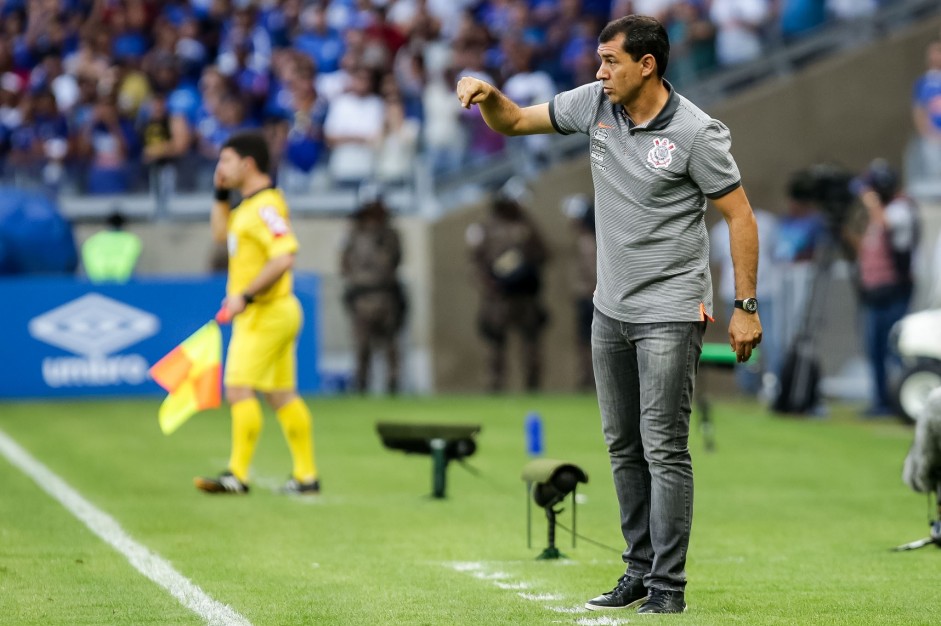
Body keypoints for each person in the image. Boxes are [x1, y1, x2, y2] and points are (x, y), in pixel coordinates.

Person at [456, 15, 762, 614]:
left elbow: (741, 216)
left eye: (610, 62)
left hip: (671, 309)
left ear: (646, 65)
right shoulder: (595, 103)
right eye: (599, 61)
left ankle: (668, 588)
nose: (599, 72)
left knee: (664, 446)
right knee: (623, 446)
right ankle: (638, 570)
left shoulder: (698, 133)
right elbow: (516, 121)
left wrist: (745, 306)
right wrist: (490, 95)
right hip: (610, 308)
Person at [195, 130, 320, 496]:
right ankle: (306, 477)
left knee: (237, 388)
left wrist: (244, 297)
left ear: (248, 164)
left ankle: (237, 474)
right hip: (273, 312)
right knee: (281, 395)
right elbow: (221, 234)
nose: (220, 167)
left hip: (266, 312)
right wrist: (219, 193)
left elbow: (285, 256)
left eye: (226, 161)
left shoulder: (266, 207)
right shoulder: (247, 208)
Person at [845, 159, 920, 417]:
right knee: (874, 350)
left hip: (894, 292)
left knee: (894, 349)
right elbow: (866, 249)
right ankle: (881, 402)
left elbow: (889, 224)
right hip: (874, 293)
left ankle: (901, 402)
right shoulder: (879, 214)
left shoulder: (901, 209)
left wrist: (869, 199)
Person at [466, 180, 549, 393]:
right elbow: (475, 263)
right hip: (498, 297)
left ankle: (533, 387)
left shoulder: (527, 225)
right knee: (495, 346)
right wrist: (488, 285)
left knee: (530, 345)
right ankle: (495, 386)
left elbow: (544, 254)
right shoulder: (485, 227)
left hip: (524, 296)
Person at [340, 186, 406, 394]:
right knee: (362, 346)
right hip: (361, 297)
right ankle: (361, 384)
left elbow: (396, 260)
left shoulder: (390, 234)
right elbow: (344, 264)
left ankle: (393, 383)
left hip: (386, 295)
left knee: (390, 344)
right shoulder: (352, 234)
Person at [562, 193, 597, 392]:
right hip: (587, 297)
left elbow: (592, 273)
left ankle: (589, 380)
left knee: (589, 341)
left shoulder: (586, 243)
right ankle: (587, 379)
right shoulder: (586, 240)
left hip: (589, 298)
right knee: (585, 341)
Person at [81, 211, 142, 283]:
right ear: (124, 224)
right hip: (122, 283)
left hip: (96, 283)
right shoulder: (132, 240)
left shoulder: (93, 240)